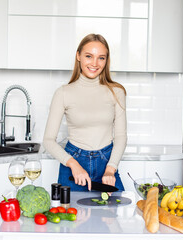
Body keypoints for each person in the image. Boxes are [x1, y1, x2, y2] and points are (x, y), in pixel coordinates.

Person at [43, 33, 127, 191]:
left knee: (117, 214)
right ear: (78, 56)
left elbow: (121, 136)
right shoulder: (63, 93)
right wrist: (74, 165)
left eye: (101, 58)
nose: (95, 63)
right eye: (89, 56)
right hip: (73, 163)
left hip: (107, 164)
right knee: (70, 215)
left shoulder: (117, 92)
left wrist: (111, 169)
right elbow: (48, 140)